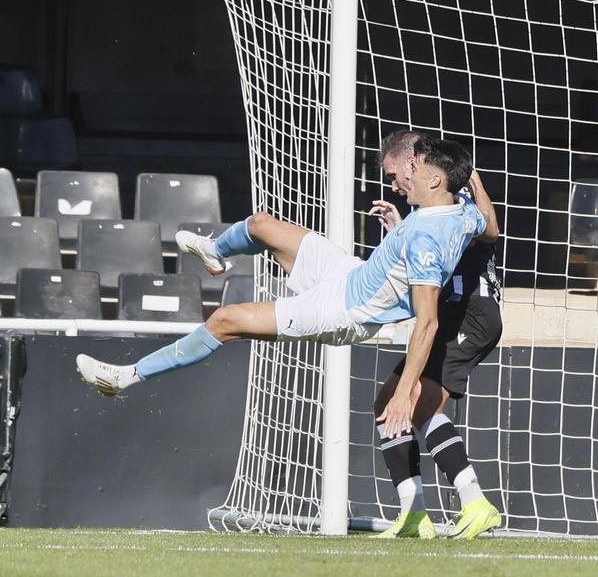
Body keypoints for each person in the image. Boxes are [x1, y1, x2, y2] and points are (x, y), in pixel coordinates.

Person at [76, 137, 491, 443]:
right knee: (261, 225)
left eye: (414, 172)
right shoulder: (462, 211)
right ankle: (216, 254)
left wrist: (403, 396)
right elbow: (491, 226)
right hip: (351, 272)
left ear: (435, 180)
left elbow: (428, 322)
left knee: (225, 320)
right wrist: (467, 173)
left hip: (342, 309)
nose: (405, 178)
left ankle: (126, 377)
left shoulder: (426, 242)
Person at [367, 129, 504, 540]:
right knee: (387, 404)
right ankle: (414, 514)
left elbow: (490, 231)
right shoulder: (428, 210)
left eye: (395, 174)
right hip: (453, 312)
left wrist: (474, 178)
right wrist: (400, 230)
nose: (393, 184)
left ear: (416, 165)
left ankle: (476, 503)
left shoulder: (454, 195)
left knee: (415, 404)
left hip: (469, 312)